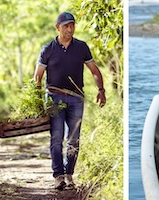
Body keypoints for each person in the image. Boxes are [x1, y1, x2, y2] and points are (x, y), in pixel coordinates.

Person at [33, 11, 106, 190]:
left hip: (76, 99)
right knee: (56, 138)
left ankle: (69, 175)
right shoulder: (48, 49)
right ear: (57, 28)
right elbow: (38, 77)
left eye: (72, 25)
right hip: (54, 98)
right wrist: (36, 102)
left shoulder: (81, 47)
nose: (70, 29)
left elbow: (94, 71)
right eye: (66, 25)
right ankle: (58, 176)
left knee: (74, 140)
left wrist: (101, 90)